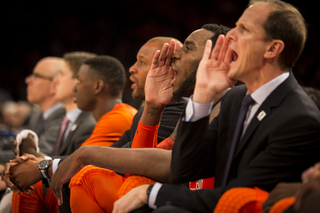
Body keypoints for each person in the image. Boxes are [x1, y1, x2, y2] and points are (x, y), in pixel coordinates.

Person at [111, 0, 320, 212]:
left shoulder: (299, 119)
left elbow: (237, 196)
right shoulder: (236, 99)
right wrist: (202, 96)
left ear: (272, 48)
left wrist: (152, 193)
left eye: (244, 29)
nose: (230, 37)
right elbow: (184, 167)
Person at [42, 23, 230, 213]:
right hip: (189, 201)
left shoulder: (233, 104)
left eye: (188, 48)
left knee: (87, 179)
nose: (176, 56)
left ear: (218, 56)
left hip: (209, 205)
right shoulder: (194, 110)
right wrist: (153, 105)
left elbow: (172, 165)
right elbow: (141, 169)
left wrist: (84, 154)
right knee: (93, 179)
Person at [3, 55, 138, 213]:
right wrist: (34, 162)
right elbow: (74, 161)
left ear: (97, 86)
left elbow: (79, 165)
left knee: (34, 185)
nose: (75, 88)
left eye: (79, 82)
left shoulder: (116, 118)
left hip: (112, 197)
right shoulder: (114, 116)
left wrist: (38, 166)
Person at [0, 57, 66, 164]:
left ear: (54, 84)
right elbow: (18, 145)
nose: (28, 80)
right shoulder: (38, 114)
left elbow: (40, 154)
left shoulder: (63, 115)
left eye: (36, 76)